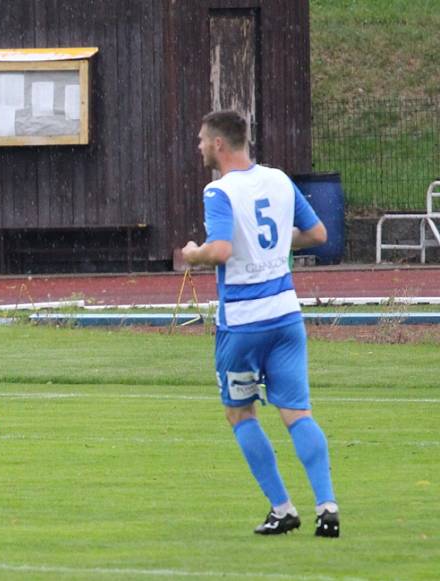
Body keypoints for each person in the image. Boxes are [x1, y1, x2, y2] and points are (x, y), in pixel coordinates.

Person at [181, 110, 339, 537]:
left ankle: (283, 508)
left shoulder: (218, 191)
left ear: (218, 144)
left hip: (244, 322)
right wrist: (269, 248)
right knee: (297, 413)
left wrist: (192, 252)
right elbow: (318, 234)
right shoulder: (279, 180)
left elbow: (219, 250)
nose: (198, 147)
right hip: (286, 314)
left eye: (200, 140)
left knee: (239, 412)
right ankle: (327, 506)